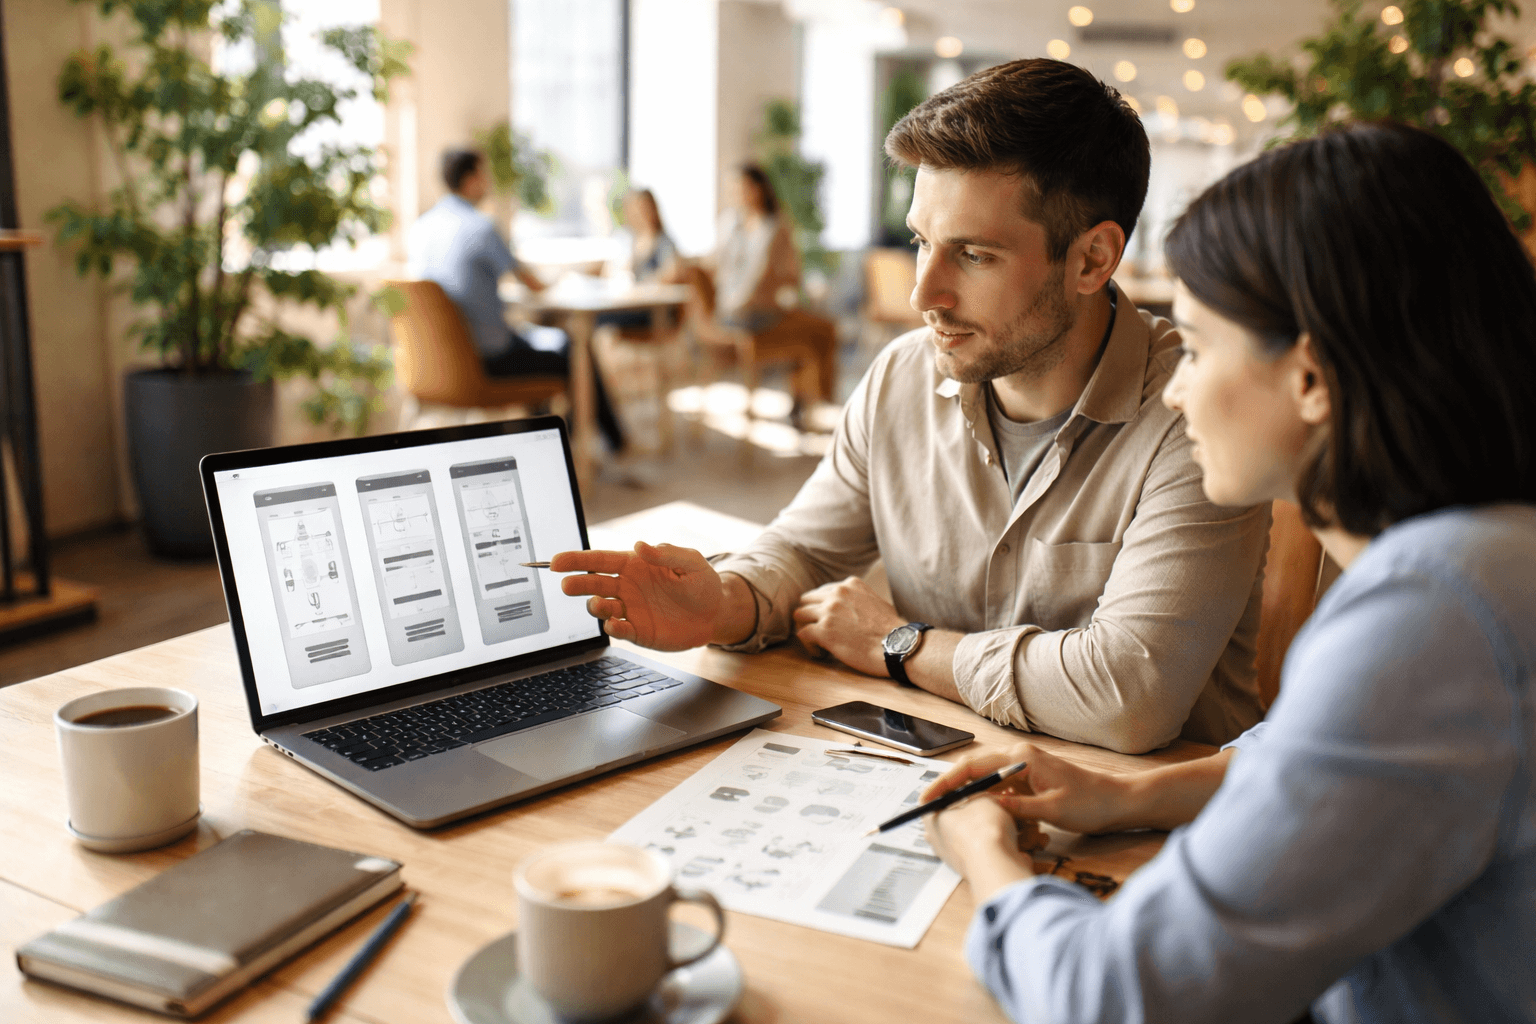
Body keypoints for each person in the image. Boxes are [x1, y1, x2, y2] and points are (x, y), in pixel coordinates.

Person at [922, 121, 1536, 1023]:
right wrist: (1132, 792)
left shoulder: (1431, 616)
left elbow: (1116, 998)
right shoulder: (1487, 552)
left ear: (1313, 379)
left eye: (1202, 349)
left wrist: (984, 854)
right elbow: (1326, 754)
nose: (1178, 388)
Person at [551, 60, 1272, 754]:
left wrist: (900, 645)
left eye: (975, 255)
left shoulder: (1199, 416)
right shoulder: (903, 376)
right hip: (945, 782)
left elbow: (1130, 696)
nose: (923, 294)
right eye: (922, 241)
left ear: (1091, 259)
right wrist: (725, 603)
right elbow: (804, 549)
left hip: (1141, 836)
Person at [407, 148, 626, 452]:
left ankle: (556, 444)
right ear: (471, 180)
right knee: (570, 347)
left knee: (543, 342)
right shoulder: (481, 227)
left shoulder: (420, 229)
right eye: (485, 176)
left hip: (434, 365)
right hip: (487, 361)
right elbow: (531, 284)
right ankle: (599, 443)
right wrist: (561, 280)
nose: (489, 184)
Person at [596, 188, 681, 332]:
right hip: (624, 305)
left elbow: (671, 274)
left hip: (651, 310)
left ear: (653, 210)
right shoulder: (626, 241)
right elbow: (608, 274)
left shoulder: (664, 243)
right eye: (634, 210)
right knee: (597, 324)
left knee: (604, 326)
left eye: (643, 209)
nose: (639, 215)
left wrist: (644, 286)